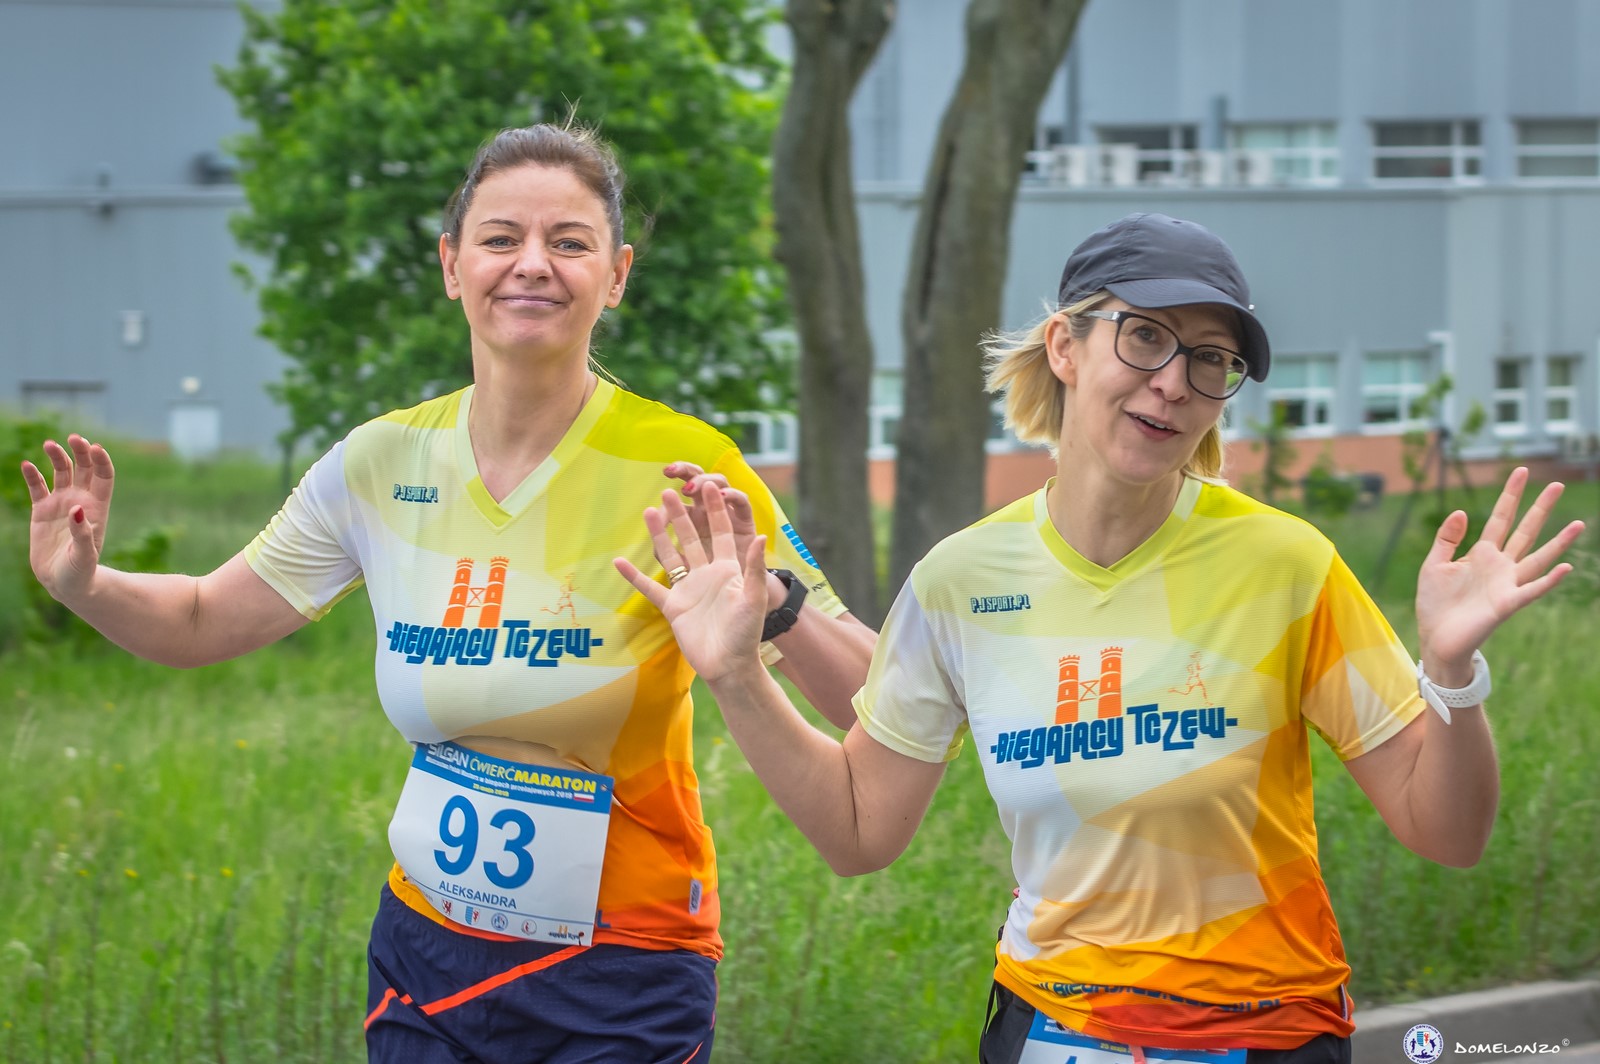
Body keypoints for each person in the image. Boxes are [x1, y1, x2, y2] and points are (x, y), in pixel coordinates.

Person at [616, 213, 1586, 1063]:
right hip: (1048, 1029)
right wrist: (738, 674)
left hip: (1264, 1034)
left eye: (1210, 360)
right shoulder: (958, 581)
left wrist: (1451, 670)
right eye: (1146, 336)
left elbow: (1448, 832)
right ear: (1065, 345)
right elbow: (859, 829)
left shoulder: (1287, 564)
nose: (1173, 383)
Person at [21, 122, 874, 1063]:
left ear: (617, 276)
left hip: (623, 968)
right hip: (425, 961)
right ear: (451, 265)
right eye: (501, 238)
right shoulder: (380, 461)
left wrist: (776, 607)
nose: (532, 264)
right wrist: (85, 584)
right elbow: (198, 620)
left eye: (570, 242)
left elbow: (875, 697)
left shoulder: (683, 467)